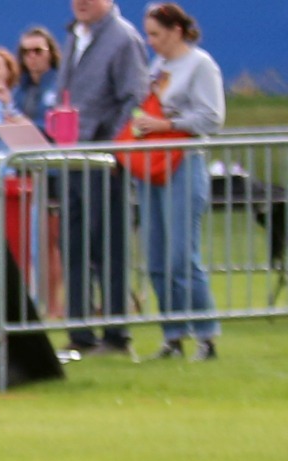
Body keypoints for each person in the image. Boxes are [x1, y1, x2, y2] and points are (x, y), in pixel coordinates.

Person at [59, 0, 148, 356]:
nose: (80, 2)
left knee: (107, 248)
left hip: (103, 162)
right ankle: (79, 333)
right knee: (74, 247)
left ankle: (115, 335)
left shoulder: (123, 39)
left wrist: (110, 147)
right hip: (72, 160)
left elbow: (135, 99)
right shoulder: (74, 37)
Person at [137, 2, 223, 360]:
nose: (151, 41)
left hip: (184, 164)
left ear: (175, 30)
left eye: (156, 34)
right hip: (153, 165)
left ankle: (205, 335)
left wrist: (167, 125)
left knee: (181, 257)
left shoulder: (201, 64)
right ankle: (172, 335)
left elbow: (212, 117)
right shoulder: (159, 67)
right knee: (156, 257)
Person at [15, 26, 64, 130]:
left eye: (38, 51)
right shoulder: (18, 89)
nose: (31, 56)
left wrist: (32, 126)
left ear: (50, 53)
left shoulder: (62, 83)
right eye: (25, 51)